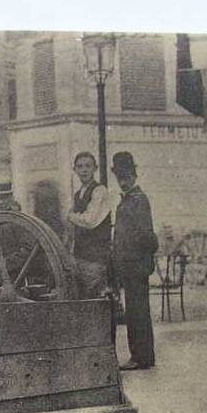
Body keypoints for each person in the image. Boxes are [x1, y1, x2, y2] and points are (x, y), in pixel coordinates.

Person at [111, 152, 158, 371]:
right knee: (135, 311)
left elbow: (146, 235)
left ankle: (140, 357)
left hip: (136, 265)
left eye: (127, 176)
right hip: (129, 264)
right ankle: (141, 355)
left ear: (134, 176)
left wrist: (139, 257)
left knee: (137, 312)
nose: (124, 180)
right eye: (120, 176)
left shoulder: (138, 200)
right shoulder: (129, 199)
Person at [66, 151, 112, 298]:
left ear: (95, 168)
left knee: (96, 301)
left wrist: (70, 216)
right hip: (79, 258)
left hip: (95, 259)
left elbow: (90, 220)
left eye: (88, 166)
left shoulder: (100, 191)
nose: (84, 170)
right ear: (75, 170)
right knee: (83, 300)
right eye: (80, 166)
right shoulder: (78, 194)